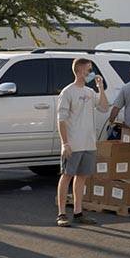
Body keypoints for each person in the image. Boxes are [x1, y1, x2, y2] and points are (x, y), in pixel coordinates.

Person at [55, 58, 110, 227]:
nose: (90, 72)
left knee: (82, 178)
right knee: (67, 176)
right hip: (73, 143)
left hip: (89, 143)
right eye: (88, 69)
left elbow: (103, 107)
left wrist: (100, 88)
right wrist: (65, 143)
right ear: (79, 71)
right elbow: (61, 119)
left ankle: (78, 212)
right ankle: (62, 213)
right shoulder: (68, 92)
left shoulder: (89, 91)